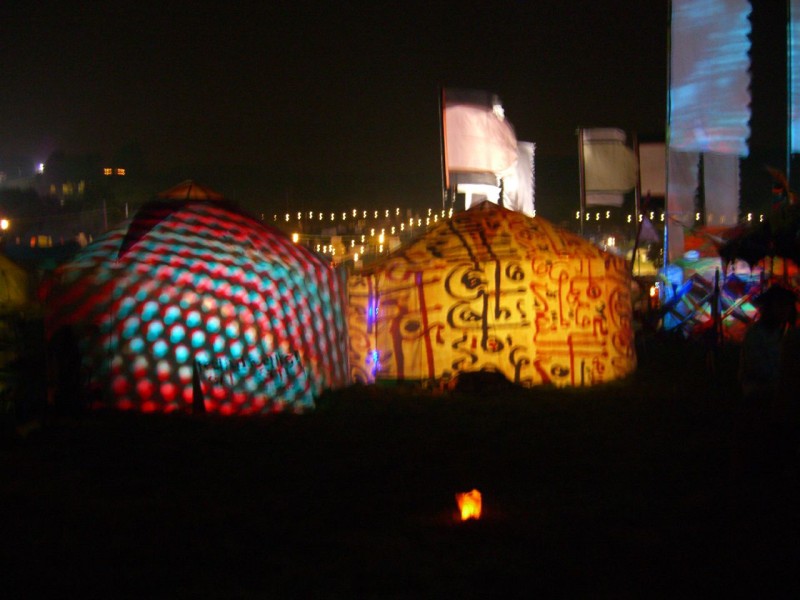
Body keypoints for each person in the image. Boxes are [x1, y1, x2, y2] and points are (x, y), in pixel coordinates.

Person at [734, 284, 798, 481]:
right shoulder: (756, 336)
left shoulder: (786, 335)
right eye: (780, 306)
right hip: (760, 391)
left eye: (787, 307)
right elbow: (758, 370)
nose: (783, 311)